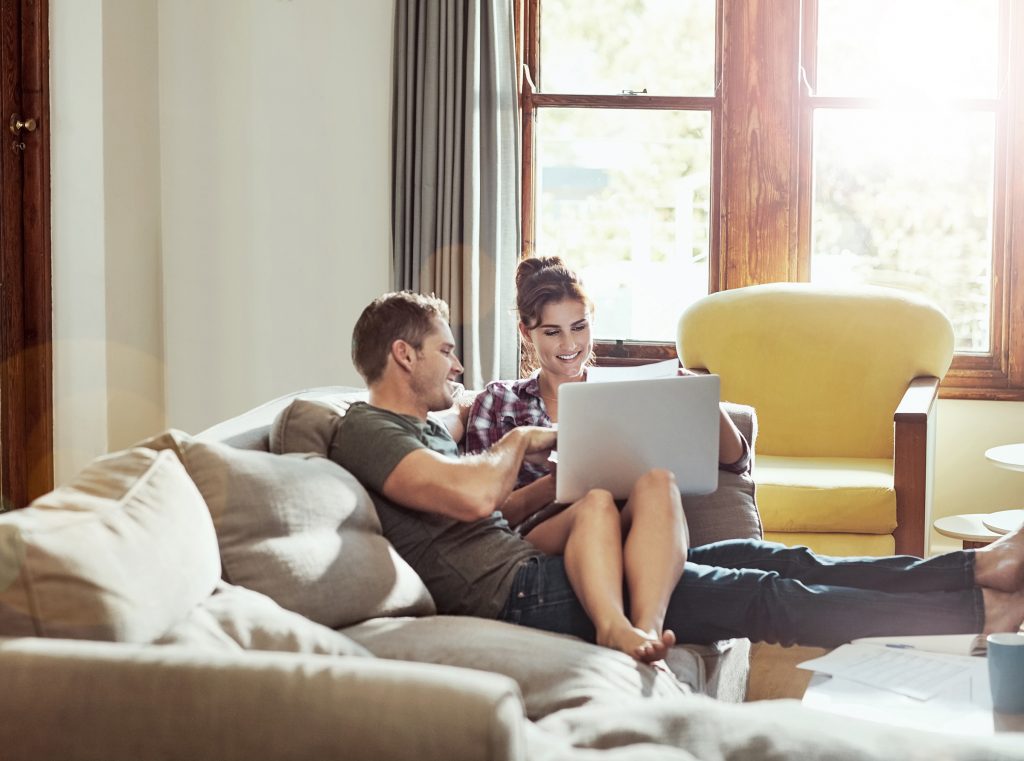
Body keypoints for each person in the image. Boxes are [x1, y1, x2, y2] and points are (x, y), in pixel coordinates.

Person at [331, 289, 1024, 663]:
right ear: (402, 354)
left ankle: (972, 572)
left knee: (777, 556)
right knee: (767, 596)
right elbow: (476, 493)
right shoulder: (366, 429)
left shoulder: (422, 429)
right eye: (445, 352)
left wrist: (567, 475)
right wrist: (522, 436)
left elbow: (492, 514)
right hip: (526, 592)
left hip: (542, 562)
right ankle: (975, 614)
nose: (455, 366)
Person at [461, 256, 751, 662]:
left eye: (579, 327)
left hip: (622, 527)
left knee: (659, 482)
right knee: (594, 500)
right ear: (527, 333)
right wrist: (554, 485)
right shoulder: (499, 401)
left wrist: (692, 391)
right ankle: (613, 628)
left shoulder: (625, 391)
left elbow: (736, 460)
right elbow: (481, 515)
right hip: (538, 535)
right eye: (552, 332)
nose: (569, 345)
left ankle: (647, 631)